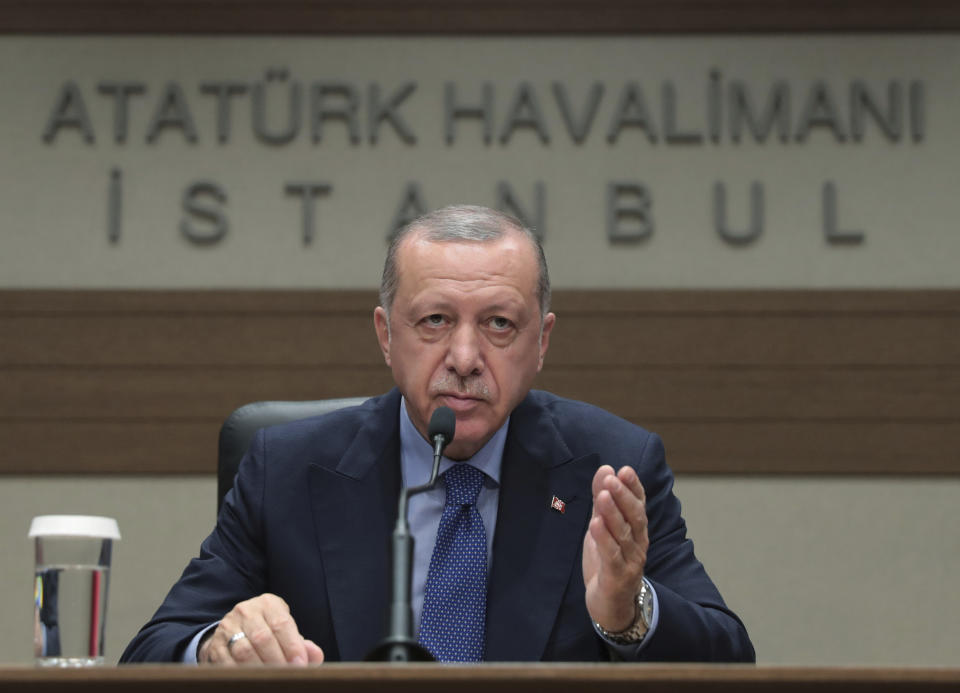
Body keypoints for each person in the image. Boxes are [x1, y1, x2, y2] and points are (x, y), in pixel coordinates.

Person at [120, 205, 754, 665]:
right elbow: (151, 651)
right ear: (385, 335)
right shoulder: (285, 469)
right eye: (434, 321)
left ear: (542, 343)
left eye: (500, 324)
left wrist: (628, 612)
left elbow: (731, 660)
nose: (465, 356)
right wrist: (216, 648)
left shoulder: (611, 468)